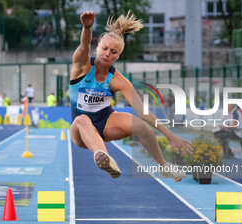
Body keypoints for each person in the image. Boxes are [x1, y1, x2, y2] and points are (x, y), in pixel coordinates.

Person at [69, 11, 192, 181]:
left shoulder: (119, 80)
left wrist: (169, 135)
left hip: (106, 123)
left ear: (118, 55)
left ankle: (164, 166)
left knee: (141, 126)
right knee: (82, 119)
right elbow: (84, 46)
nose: (107, 54)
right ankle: (103, 157)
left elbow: (143, 112)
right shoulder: (81, 66)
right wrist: (87, 27)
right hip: (81, 130)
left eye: (113, 52)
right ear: (97, 47)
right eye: (104, 48)